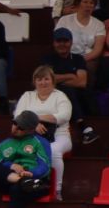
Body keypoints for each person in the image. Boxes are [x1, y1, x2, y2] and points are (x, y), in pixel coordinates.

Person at [14, 65, 75, 198]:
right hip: (31, 135)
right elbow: (18, 116)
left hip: (59, 135)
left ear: (52, 80)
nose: (43, 82)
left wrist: (33, 118)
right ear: (34, 82)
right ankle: (28, 186)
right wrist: (34, 124)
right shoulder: (27, 96)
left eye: (46, 79)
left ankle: (57, 190)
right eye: (39, 79)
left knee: (52, 150)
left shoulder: (60, 96)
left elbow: (64, 116)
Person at [45, 28, 95, 140]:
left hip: (78, 97)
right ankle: (83, 127)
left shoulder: (78, 59)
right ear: (54, 43)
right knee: (67, 91)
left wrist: (58, 79)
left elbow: (82, 82)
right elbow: (46, 80)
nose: (62, 44)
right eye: (59, 41)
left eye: (65, 41)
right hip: (54, 97)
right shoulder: (47, 59)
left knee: (68, 91)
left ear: (71, 42)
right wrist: (71, 76)